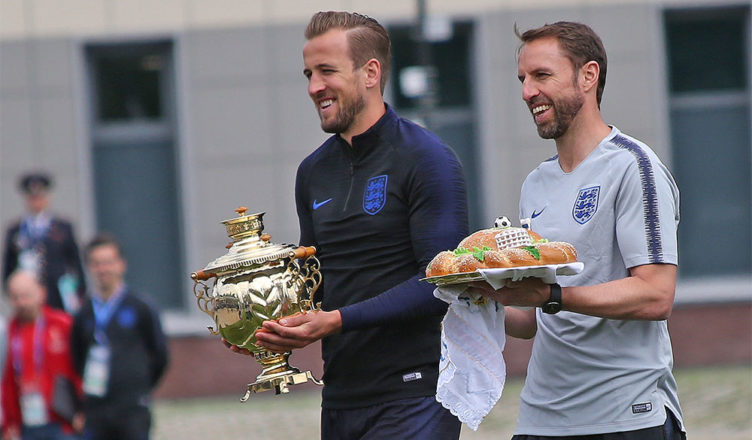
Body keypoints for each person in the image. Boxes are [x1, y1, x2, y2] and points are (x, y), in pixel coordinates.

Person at [246, 11, 468, 440]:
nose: (314, 87)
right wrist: (260, 322)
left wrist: (336, 320)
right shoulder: (312, 171)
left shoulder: (427, 158)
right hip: (341, 399)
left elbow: (441, 285)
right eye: (309, 74)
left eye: (327, 71)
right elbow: (315, 284)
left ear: (370, 73)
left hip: (415, 396)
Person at [472, 22, 685, 439]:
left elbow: (656, 295)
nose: (527, 92)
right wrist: (476, 298)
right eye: (522, 79)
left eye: (541, 75)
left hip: (627, 416)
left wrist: (552, 296)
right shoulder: (536, 182)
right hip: (542, 418)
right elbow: (532, 320)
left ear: (588, 76)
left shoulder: (632, 166)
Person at [70, 234, 168, 440]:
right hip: (96, 410)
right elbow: (77, 357)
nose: (102, 269)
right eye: (96, 263)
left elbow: (159, 355)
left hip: (132, 409)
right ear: (89, 267)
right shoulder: (82, 314)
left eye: (108, 262)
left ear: (121, 264)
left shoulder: (141, 308)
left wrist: (138, 386)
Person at [1, 270, 83, 440]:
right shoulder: (10, 331)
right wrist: (10, 423)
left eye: (26, 296)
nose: (21, 303)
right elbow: (8, 381)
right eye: (15, 297)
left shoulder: (63, 324)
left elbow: (78, 370)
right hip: (27, 424)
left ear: (41, 293)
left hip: (63, 421)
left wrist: (82, 410)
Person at [2, 173, 86, 314]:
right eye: (32, 198)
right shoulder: (16, 231)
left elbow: (75, 264)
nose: (36, 202)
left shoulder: (63, 228)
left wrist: (77, 293)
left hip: (57, 298)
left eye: (40, 197)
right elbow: (8, 269)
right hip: (27, 300)